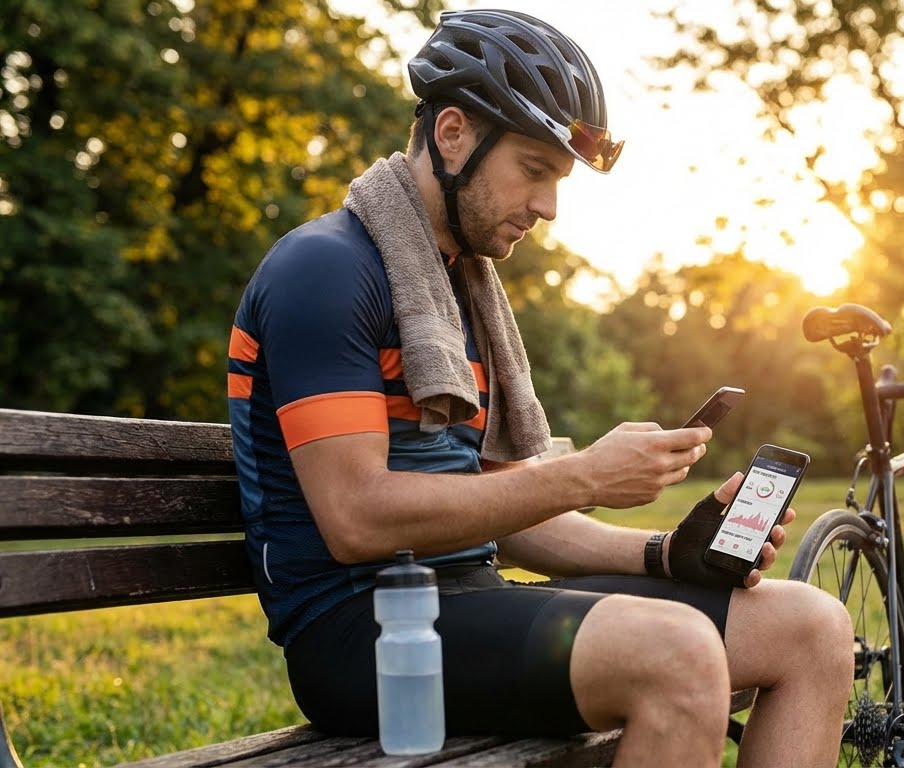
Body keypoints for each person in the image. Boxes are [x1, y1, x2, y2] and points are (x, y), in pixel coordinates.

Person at [226, 8, 852, 766]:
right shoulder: (324, 271)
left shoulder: (456, 297)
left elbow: (505, 514)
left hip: (470, 598)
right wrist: (582, 474)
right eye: (533, 170)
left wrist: (666, 553)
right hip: (359, 631)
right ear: (452, 134)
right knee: (679, 653)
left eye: (558, 180)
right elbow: (356, 518)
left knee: (812, 628)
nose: (549, 207)